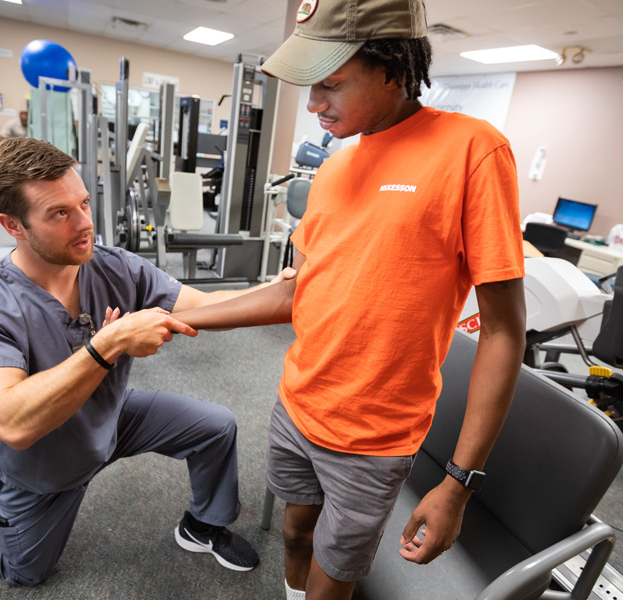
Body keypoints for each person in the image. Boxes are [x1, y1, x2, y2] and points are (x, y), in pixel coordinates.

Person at [169, 0, 527, 598]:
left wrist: (459, 483)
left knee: (335, 578)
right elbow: (296, 294)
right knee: (293, 533)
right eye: (312, 87)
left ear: (393, 66)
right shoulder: (333, 170)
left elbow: (502, 331)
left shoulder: (473, 150)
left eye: (331, 85)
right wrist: (183, 316)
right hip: (297, 406)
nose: (313, 106)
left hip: (373, 439)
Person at [0, 136, 297, 586]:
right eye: (60, 213)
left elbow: (205, 306)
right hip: (44, 460)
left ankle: (201, 525)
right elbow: (14, 422)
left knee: (214, 426)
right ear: (12, 225)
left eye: (83, 203)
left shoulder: (115, 266)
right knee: (24, 570)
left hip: (110, 418)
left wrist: (277, 288)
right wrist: (106, 345)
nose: (84, 224)